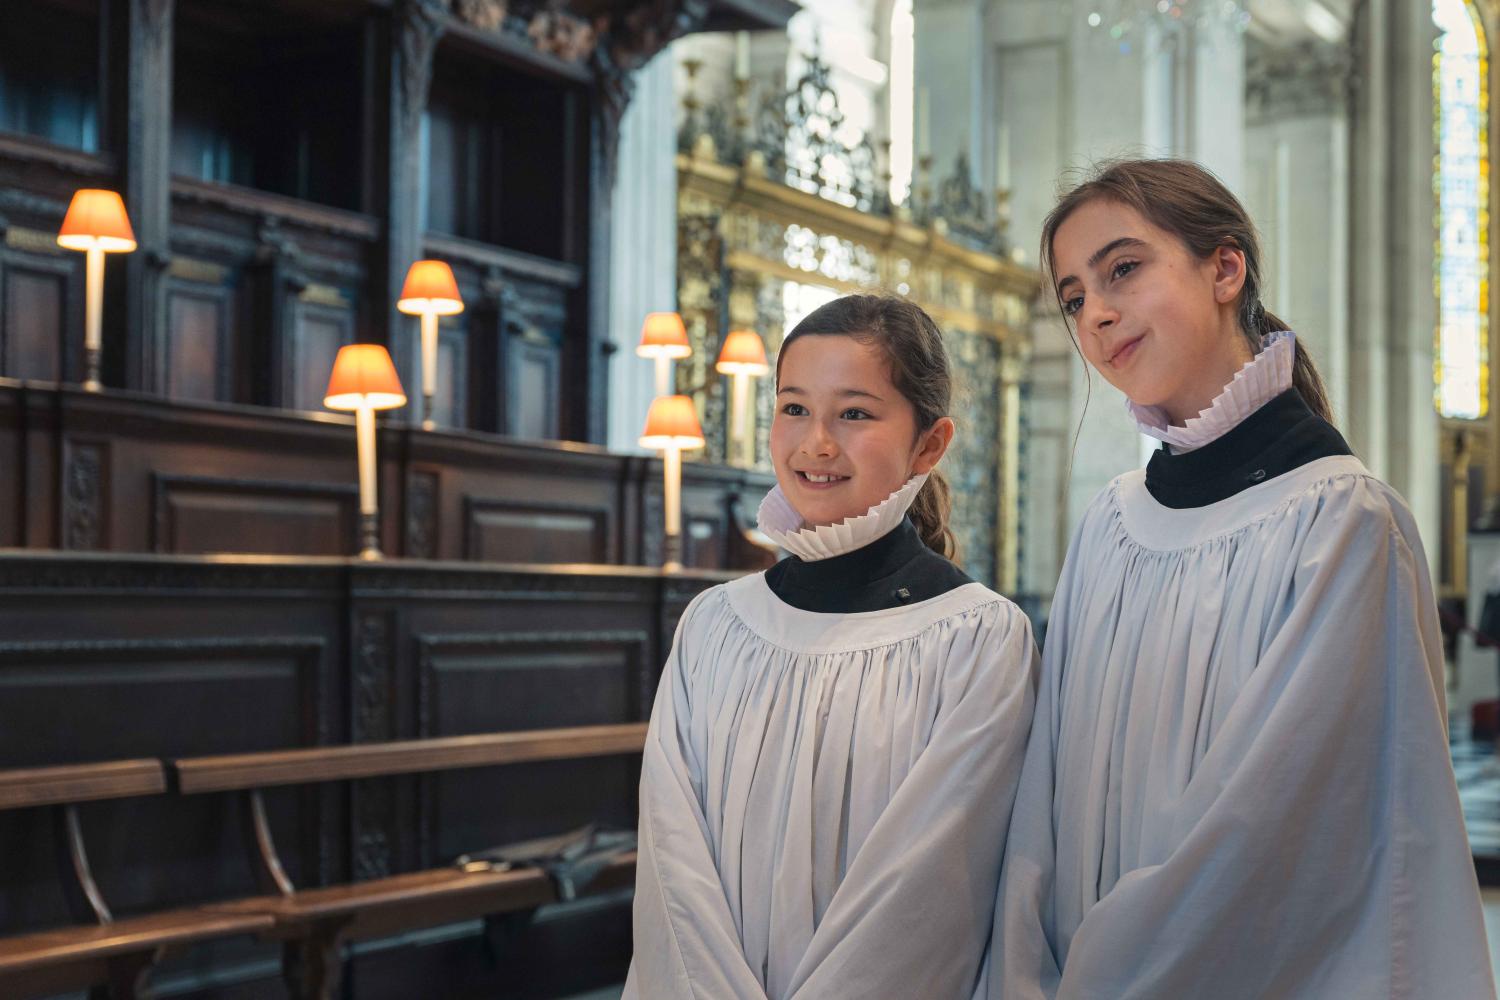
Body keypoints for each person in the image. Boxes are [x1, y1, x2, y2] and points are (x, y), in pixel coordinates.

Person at [995, 158, 1495, 999]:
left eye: (1123, 269)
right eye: (1075, 297)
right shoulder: (1113, 525)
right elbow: (1046, 793)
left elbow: (1271, 831)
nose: (1098, 312)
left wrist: (1110, 974)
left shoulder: (1340, 521)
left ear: (1225, 269)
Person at [625, 294, 1038, 999]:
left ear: (929, 444)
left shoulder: (976, 637)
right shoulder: (715, 625)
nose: (816, 442)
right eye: (793, 408)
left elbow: (924, 890)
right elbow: (673, 864)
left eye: (854, 413)